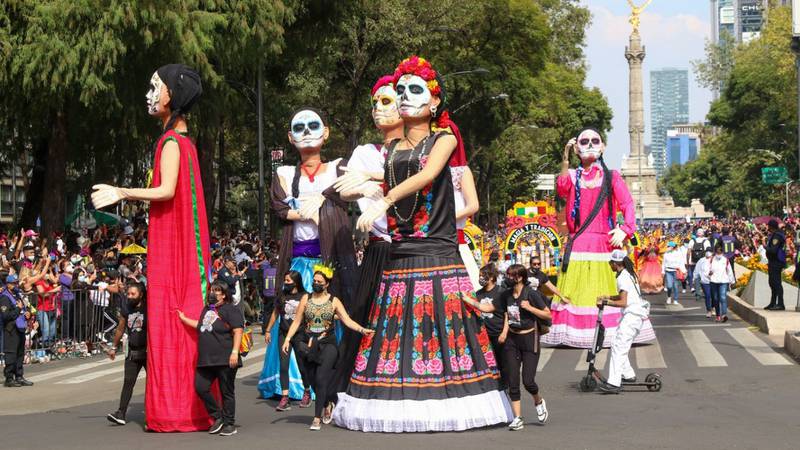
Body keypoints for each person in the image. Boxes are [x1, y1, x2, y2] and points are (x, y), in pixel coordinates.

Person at [334, 56, 512, 432]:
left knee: (447, 336)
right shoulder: (394, 148)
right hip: (400, 257)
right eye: (399, 91)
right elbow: (383, 176)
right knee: (397, 336)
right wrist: (360, 186)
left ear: (434, 103)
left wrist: (382, 197)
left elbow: (429, 172)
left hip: (437, 254)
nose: (403, 97)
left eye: (415, 90)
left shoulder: (443, 139)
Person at [92, 64, 211, 432]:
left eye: (154, 87)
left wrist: (122, 192)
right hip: (172, 240)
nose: (148, 94)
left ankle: (176, 407)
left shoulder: (173, 142)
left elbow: (167, 191)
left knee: (171, 316)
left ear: (171, 96)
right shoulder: (179, 142)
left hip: (174, 247)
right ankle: (184, 405)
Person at [545, 129, 653, 348]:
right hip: (578, 244)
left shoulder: (611, 176)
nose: (590, 144)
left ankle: (608, 332)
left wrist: (626, 229)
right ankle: (578, 333)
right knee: (579, 289)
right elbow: (562, 189)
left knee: (605, 288)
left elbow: (628, 203)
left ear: (603, 147)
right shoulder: (574, 175)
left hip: (605, 243)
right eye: (584, 141)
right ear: (577, 148)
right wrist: (565, 161)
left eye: (595, 141)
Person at [330, 75, 402, 396]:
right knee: (364, 314)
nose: (378, 108)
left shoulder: (423, 148)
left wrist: (375, 179)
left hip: (411, 248)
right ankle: (352, 388)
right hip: (377, 250)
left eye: (386, 101)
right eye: (375, 102)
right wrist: (363, 187)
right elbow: (345, 188)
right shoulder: (365, 151)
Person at [270, 107, 356, 302]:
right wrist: (311, 212)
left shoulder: (338, 167)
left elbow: (345, 194)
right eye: (300, 127)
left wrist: (314, 206)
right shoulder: (284, 173)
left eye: (313, 125)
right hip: (296, 264)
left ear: (326, 132)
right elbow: (281, 209)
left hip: (331, 259)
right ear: (291, 137)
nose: (307, 132)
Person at [281, 265, 373, 431]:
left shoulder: (334, 301)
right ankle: (328, 401)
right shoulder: (305, 299)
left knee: (322, 378)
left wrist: (362, 329)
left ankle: (316, 417)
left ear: (327, 284)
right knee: (313, 381)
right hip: (309, 345)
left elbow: (347, 320)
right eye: (314, 280)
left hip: (328, 345)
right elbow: (296, 321)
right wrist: (287, 339)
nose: (315, 283)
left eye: (319, 282)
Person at [463, 264, 550, 430]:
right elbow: (488, 307)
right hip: (512, 339)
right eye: (507, 275)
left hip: (529, 337)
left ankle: (538, 400)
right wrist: (467, 299)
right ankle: (518, 417)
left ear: (520, 277)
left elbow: (547, 313)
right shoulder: (505, 295)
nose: (507, 278)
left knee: (528, 381)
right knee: (512, 379)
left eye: (511, 276)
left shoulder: (531, 294)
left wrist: (530, 307)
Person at [177, 281, 243, 436]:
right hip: (206, 359)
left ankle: (229, 423)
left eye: (217, 291)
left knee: (226, 391)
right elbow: (201, 325)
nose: (212, 293)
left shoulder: (231, 310)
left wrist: (234, 352)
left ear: (224, 294)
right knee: (201, 387)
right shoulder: (206, 309)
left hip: (225, 358)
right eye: (211, 290)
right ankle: (217, 416)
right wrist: (184, 319)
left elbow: (238, 331)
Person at [596, 249, 651, 394]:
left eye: (610, 263)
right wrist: (609, 296)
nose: (609, 265)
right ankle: (628, 374)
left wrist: (606, 302)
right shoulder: (628, 274)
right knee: (616, 344)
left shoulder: (622, 278)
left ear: (615, 263)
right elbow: (623, 296)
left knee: (619, 348)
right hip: (633, 315)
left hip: (632, 316)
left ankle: (614, 383)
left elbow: (624, 302)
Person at [260, 270, 312, 410]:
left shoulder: (305, 296)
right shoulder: (282, 296)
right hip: (283, 334)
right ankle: (285, 397)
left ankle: (307, 391)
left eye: (288, 280)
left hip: (300, 335)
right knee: (283, 366)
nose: (285, 283)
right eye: (285, 280)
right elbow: (275, 313)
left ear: (296, 281)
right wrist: (268, 330)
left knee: (302, 365)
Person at [106, 282, 147, 425]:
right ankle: (121, 413)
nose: (130, 297)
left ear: (141, 295)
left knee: (154, 383)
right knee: (128, 383)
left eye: (133, 294)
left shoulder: (149, 306)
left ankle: (154, 412)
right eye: (128, 294)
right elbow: (120, 328)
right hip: (133, 352)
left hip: (149, 352)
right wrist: (113, 347)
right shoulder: (126, 308)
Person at [475, 264, 508, 390]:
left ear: (492, 277)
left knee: (503, 363)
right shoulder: (478, 294)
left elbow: (507, 314)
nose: (481, 278)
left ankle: (506, 388)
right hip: (484, 335)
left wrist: (504, 333)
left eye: (483, 276)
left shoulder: (501, 292)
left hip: (499, 333)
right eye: (480, 276)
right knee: (489, 363)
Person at [1, 274, 33, 387]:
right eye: (13, 283)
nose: (16, 285)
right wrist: (18, 309)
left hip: (20, 327)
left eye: (16, 283)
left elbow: (25, 307)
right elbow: (5, 316)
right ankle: (9, 378)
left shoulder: (18, 294)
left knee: (20, 353)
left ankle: (19, 376)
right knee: (11, 354)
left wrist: (27, 313)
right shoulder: (4, 297)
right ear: (8, 284)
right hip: (11, 329)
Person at [708, 244, 734, 322]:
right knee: (715, 299)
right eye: (717, 252)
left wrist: (731, 281)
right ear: (715, 252)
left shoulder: (725, 260)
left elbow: (729, 270)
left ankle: (724, 315)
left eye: (720, 252)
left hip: (723, 281)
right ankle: (718, 315)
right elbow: (707, 269)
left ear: (722, 252)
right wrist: (709, 273)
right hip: (713, 281)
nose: (719, 254)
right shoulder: (712, 259)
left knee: (722, 297)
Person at [764, 219, 786, 310]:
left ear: (771, 226)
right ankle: (773, 303)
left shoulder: (777, 236)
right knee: (772, 283)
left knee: (776, 283)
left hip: (776, 262)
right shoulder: (776, 234)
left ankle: (780, 304)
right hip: (773, 262)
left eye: (768, 226)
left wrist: (765, 246)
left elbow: (773, 250)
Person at [693, 250, 715, 318]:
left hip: (714, 281)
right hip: (705, 282)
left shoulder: (716, 261)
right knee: (708, 296)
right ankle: (708, 310)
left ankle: (713, 307)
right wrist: (695, 278)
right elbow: (697, 270)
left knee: (714, 296)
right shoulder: (701, 261)